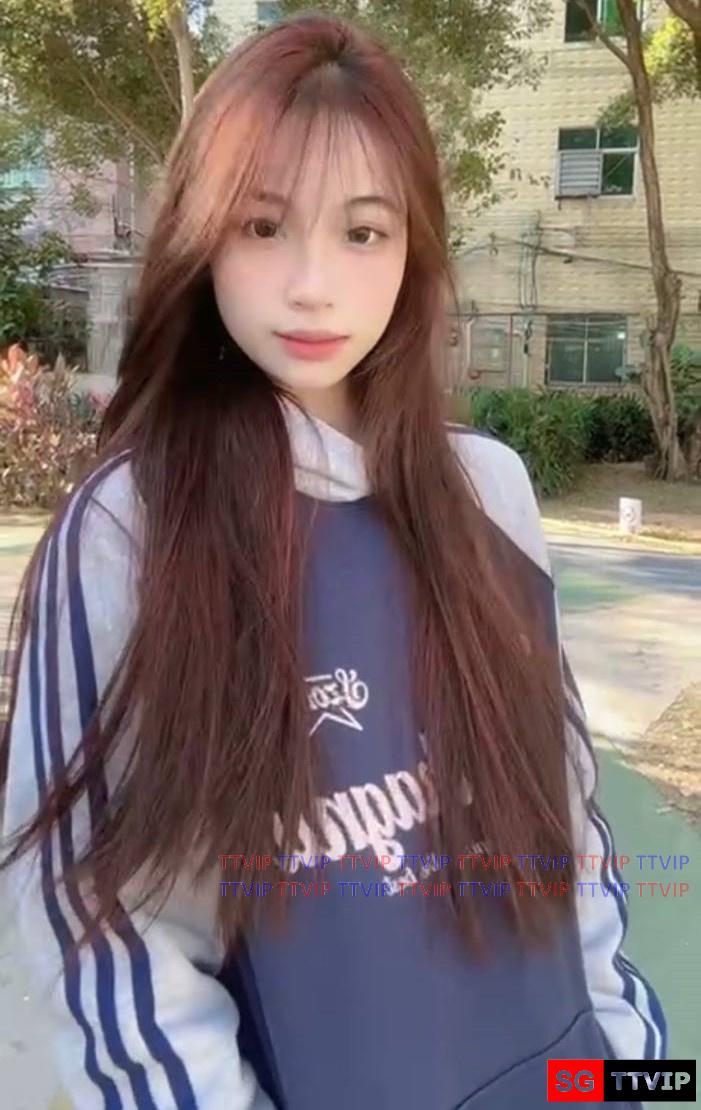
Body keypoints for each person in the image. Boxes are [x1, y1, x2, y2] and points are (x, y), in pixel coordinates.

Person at [0, 12, 666, 1109]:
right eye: (264, 225)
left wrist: (629, 1068)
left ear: (413, 251)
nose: (313, 284)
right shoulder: (131, 528)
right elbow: (104, 926)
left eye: (363, 232)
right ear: (202, 236)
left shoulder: (488, 489)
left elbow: (567, 824)